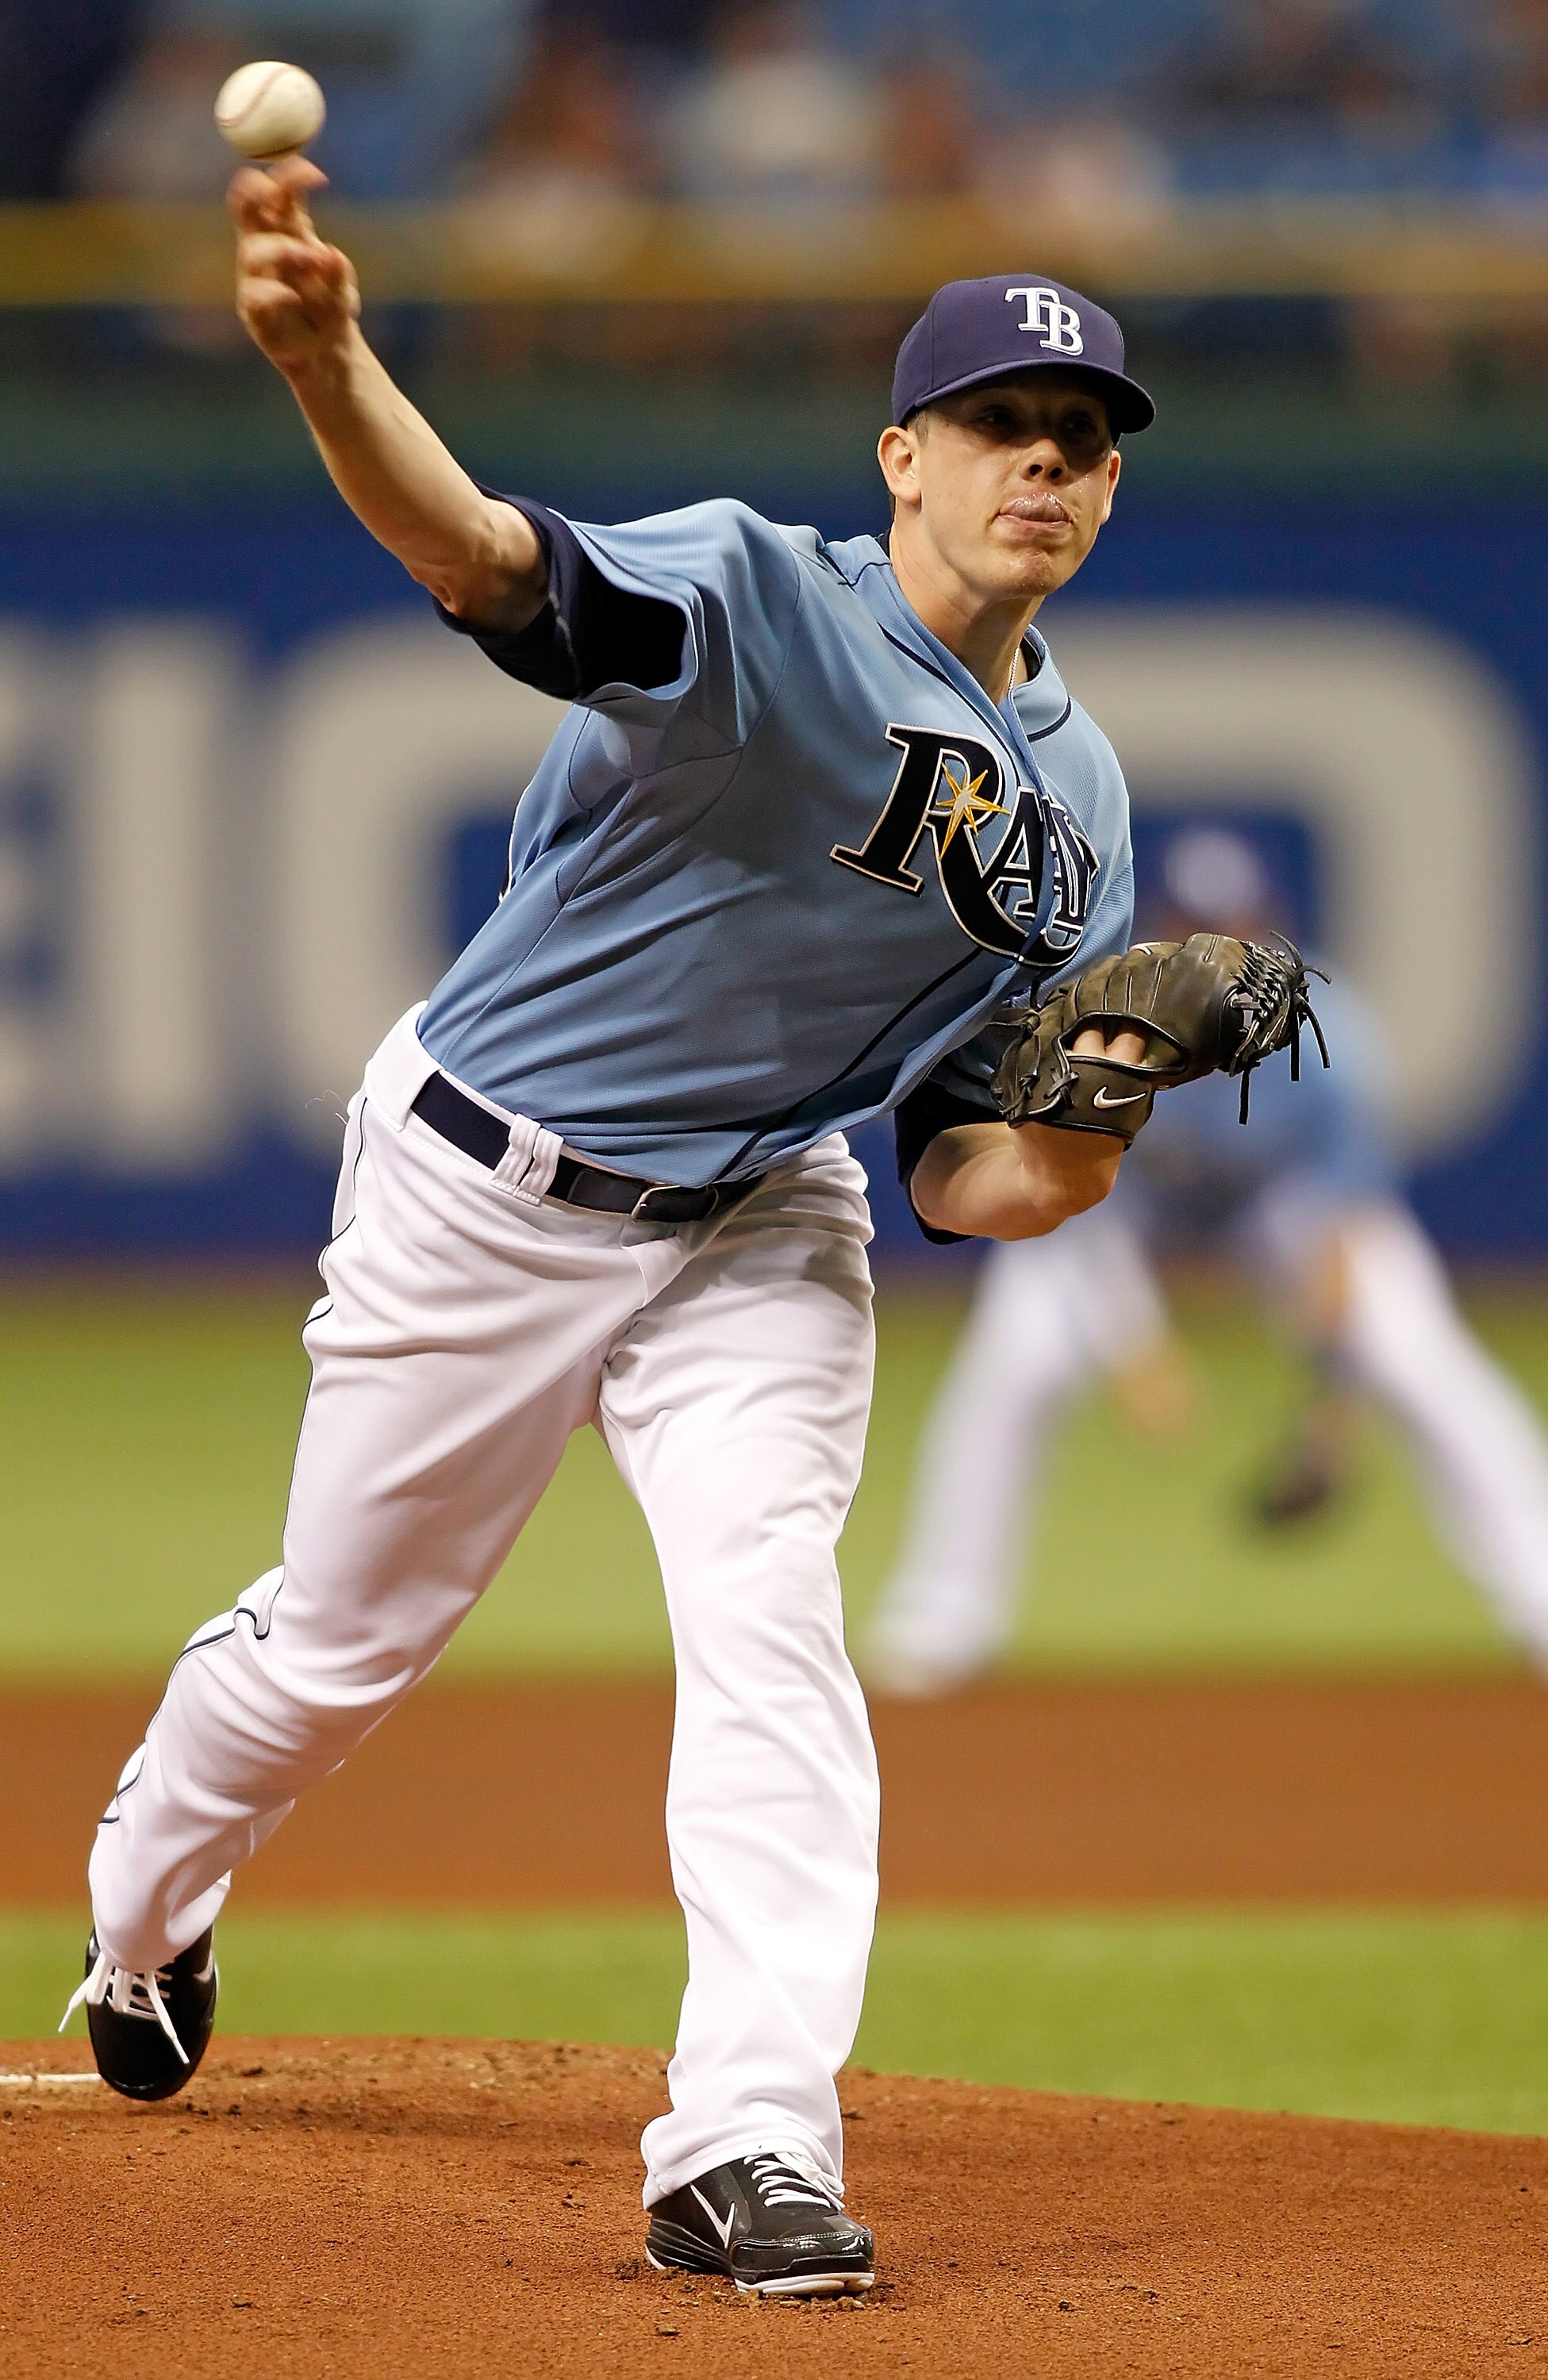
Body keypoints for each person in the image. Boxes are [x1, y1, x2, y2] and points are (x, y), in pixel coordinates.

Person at [61, 155, 1162, 2296]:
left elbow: (972, 1173)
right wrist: (325, 358)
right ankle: (143, 1906)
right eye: (1004, 429)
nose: (1046, 463)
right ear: (902, 460)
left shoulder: (1079, 813)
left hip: (762, 1213)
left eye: (1084, 442)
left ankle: (744, 2144)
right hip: (485, 1180)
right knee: (332, 1655)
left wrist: (1109, 1097)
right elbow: (487, 567)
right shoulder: (762, 601)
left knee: (767, 1623)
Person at [867, 828, 1548, 1694]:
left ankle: (1540, 1592)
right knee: (1017, 1354)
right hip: (1114, 1215)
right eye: (1198, 930)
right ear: (1162, 930)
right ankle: (942, 1613)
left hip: (1277, 1215)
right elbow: (1069, 1212)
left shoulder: (1328, 1046)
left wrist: (1331, 1414)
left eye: (1238, 932)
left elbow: (1338, 1232)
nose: (1222, 956)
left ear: (1270, 933)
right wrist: (1139, 1355)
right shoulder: (1098, 1023)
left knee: (1417, 1353)